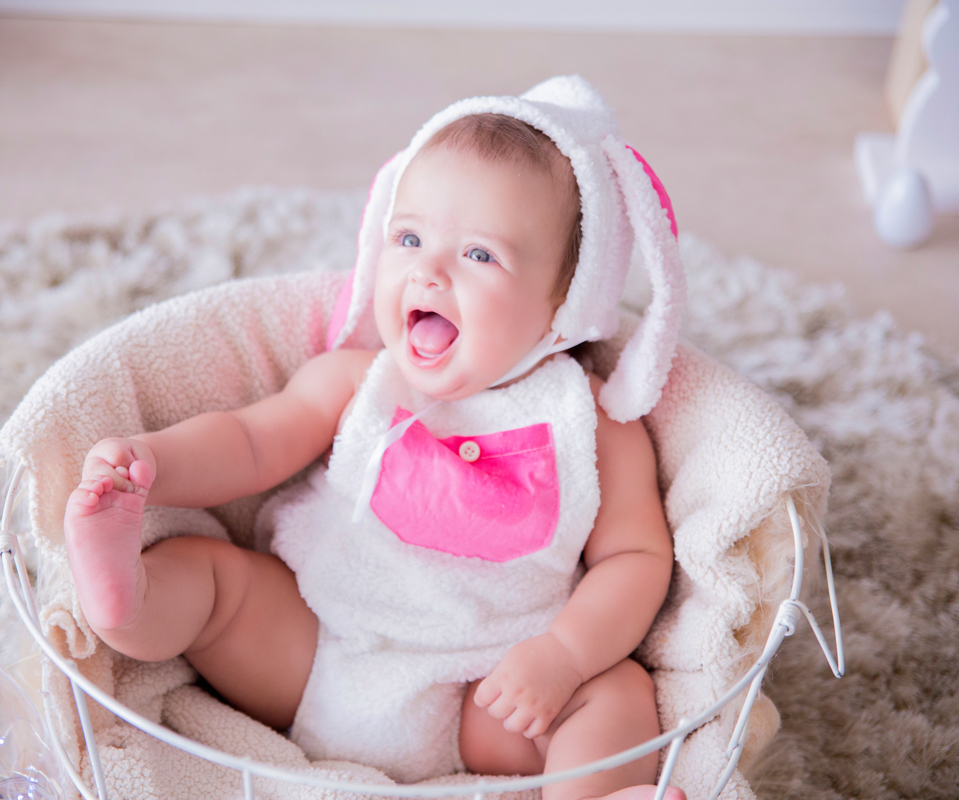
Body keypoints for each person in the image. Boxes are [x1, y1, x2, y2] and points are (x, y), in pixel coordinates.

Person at [63, 76, 687, 800]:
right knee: (210, 580)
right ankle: (123, 600)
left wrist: (564, 655)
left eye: (480, 255)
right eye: (411, 237)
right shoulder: (359, 382)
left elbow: (636, 558)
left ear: (565, 305)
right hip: (318, 648)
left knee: (619, 693)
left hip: (487, 692)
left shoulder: (592, 423)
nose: (429, 268)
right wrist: (154, 466)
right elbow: (248, 443)